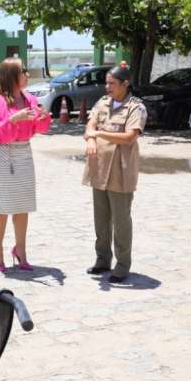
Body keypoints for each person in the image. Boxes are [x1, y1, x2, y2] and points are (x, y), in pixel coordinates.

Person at [83, 65, 147, 283]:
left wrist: (99, 133)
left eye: (112, 83)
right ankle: (102, 260)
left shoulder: (135, 107)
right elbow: (90, 125)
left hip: (121, 169)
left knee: (121, 221)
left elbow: (129, 137)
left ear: (125, 84)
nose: (107, 87)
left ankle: (122, 265)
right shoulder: (103, 103)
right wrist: (91, 139)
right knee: (101, 219)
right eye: (106, 83)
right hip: (99, 168)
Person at [0, 58, 51, 272]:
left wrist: (43, 117)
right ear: (11, 75)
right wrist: (14, 120)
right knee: (2, 205)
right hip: (4, 154)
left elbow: (39, 128)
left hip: (24, 153)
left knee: (23, 205)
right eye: (23, 71)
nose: (27, 74)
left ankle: (20, 250)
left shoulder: (30, 99)